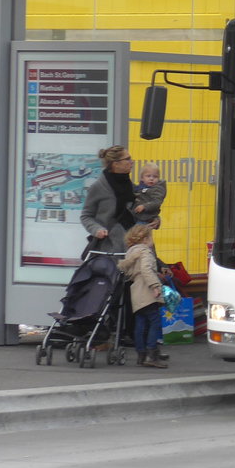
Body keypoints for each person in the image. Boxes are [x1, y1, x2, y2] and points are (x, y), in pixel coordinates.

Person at [117, 223, 169, 368]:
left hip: (135, 291)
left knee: (140, 323)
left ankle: (141, 354)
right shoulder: (145, 251)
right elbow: (146, 270)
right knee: (155, 321)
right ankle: (151, 355)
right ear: (145, 239)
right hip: (146, 290)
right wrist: (155, 285)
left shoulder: (130, 252)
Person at [80, 145, 137, 256]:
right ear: (116, 164)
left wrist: (154, 219)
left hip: (133, 245)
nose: (132, 162)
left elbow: (137, 209)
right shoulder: (98, 187)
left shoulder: (130, 185)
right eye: (128, 159)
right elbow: (86, 216)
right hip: (109, 250)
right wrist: (96, 229)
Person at [131, 161, 167, 229]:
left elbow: (156, 202)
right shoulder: (141, 187)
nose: (151, 178)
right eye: (148, 176)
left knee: (140, 235)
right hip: (137, 216)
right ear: (142, 178)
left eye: (155, 176)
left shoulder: (157, 189)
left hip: (146, 218)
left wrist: (144, 206)